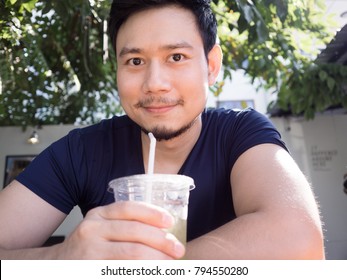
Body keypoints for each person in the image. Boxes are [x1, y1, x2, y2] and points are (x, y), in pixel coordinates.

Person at [0, 0, 324, 260]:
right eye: (136, 61)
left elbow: (299, 240)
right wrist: (63, 261)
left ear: (211, 66)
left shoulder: (240, 134)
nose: (154, 83)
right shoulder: (82, 152)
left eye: (176, 56)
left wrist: (145, 269)